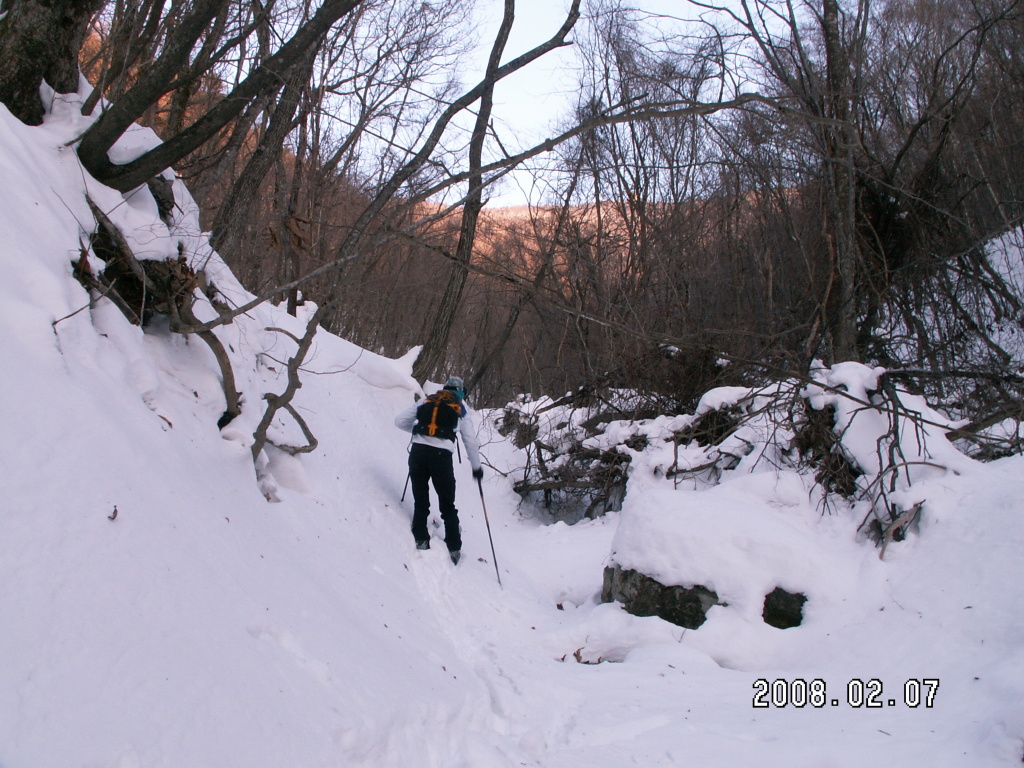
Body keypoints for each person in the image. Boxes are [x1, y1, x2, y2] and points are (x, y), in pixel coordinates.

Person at [394, 376, 483, 564]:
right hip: (441, 457)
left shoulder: (427, 400)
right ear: (461, 392)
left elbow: (399, 421)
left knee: (421, 498)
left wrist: (421, 431)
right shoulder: (460, 408)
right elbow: (470, 441)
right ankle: (454, 547)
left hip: (418, 453)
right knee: (447, 504)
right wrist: (476, 467)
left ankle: (421, 538)